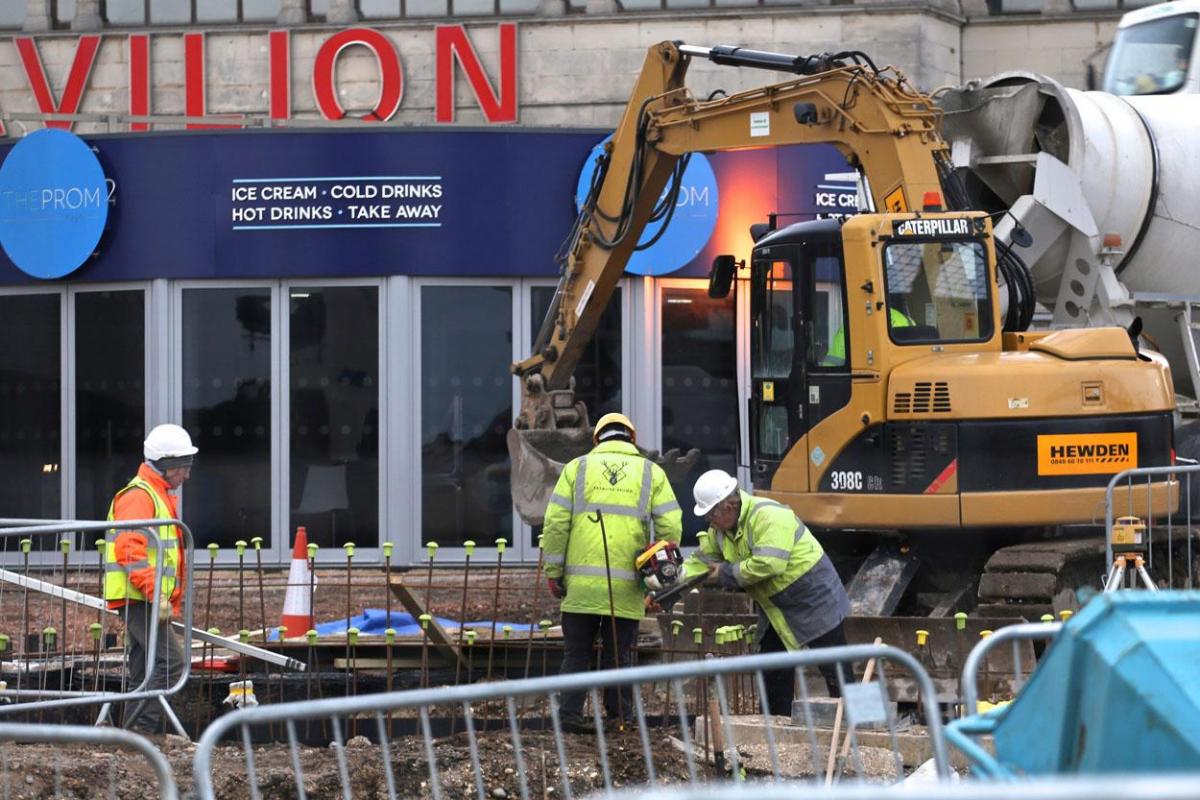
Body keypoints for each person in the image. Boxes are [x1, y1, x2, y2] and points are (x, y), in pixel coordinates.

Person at [542, 412, 682, 730]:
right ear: (631, 438)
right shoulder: (650, 472)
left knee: (576, 653)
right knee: (619, 654)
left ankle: (569, 718)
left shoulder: (576, 469)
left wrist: (554, 571)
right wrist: (660, 572)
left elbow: (555, 524)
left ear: (597, 439)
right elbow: (670, 524)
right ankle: (621, 717)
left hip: (580, 587)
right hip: (627, 587)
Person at [682, 469, 850, 716]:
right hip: (777, 606)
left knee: (837, 668)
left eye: (711, 513)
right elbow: (701, 562)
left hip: (814, 597)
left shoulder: (767, 515)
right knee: (773, 666)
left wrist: (724, 573)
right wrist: (672, 579)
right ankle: (774, 724)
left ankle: (866, 724)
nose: (708, 519)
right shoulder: (720, 532)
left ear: (729, 505)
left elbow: (770, 564)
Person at [105, 423, 196, 734]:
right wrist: (156, 592)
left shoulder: (156, 494)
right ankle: (142, 733)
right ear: (166, 464)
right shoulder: (139, 496)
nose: (186, 475)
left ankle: (133, 738)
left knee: (144, 669)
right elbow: (129, 549)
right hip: (141, 598)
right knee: (172, 663)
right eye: (183, 467)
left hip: (146, 598)